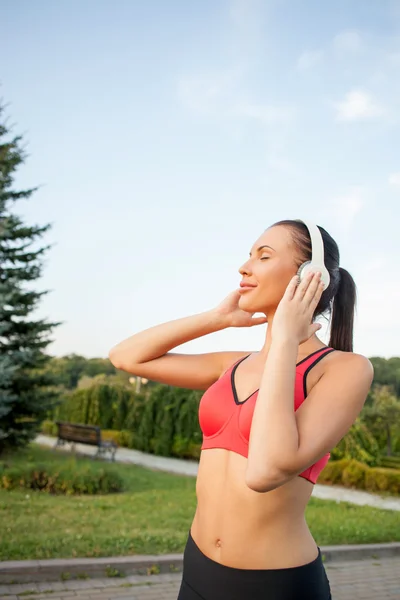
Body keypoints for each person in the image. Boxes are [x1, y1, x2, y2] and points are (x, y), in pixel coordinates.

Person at [108, 219, 374, 600]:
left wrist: (285, 337)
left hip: (275, 584)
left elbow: (266, 471)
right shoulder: (233, 364)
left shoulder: (344, 369)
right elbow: (126, 357)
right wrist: (216, 319)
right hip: (197, 568)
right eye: (249, 255)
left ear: (310, 276)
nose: (244, 267)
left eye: (263, 256)